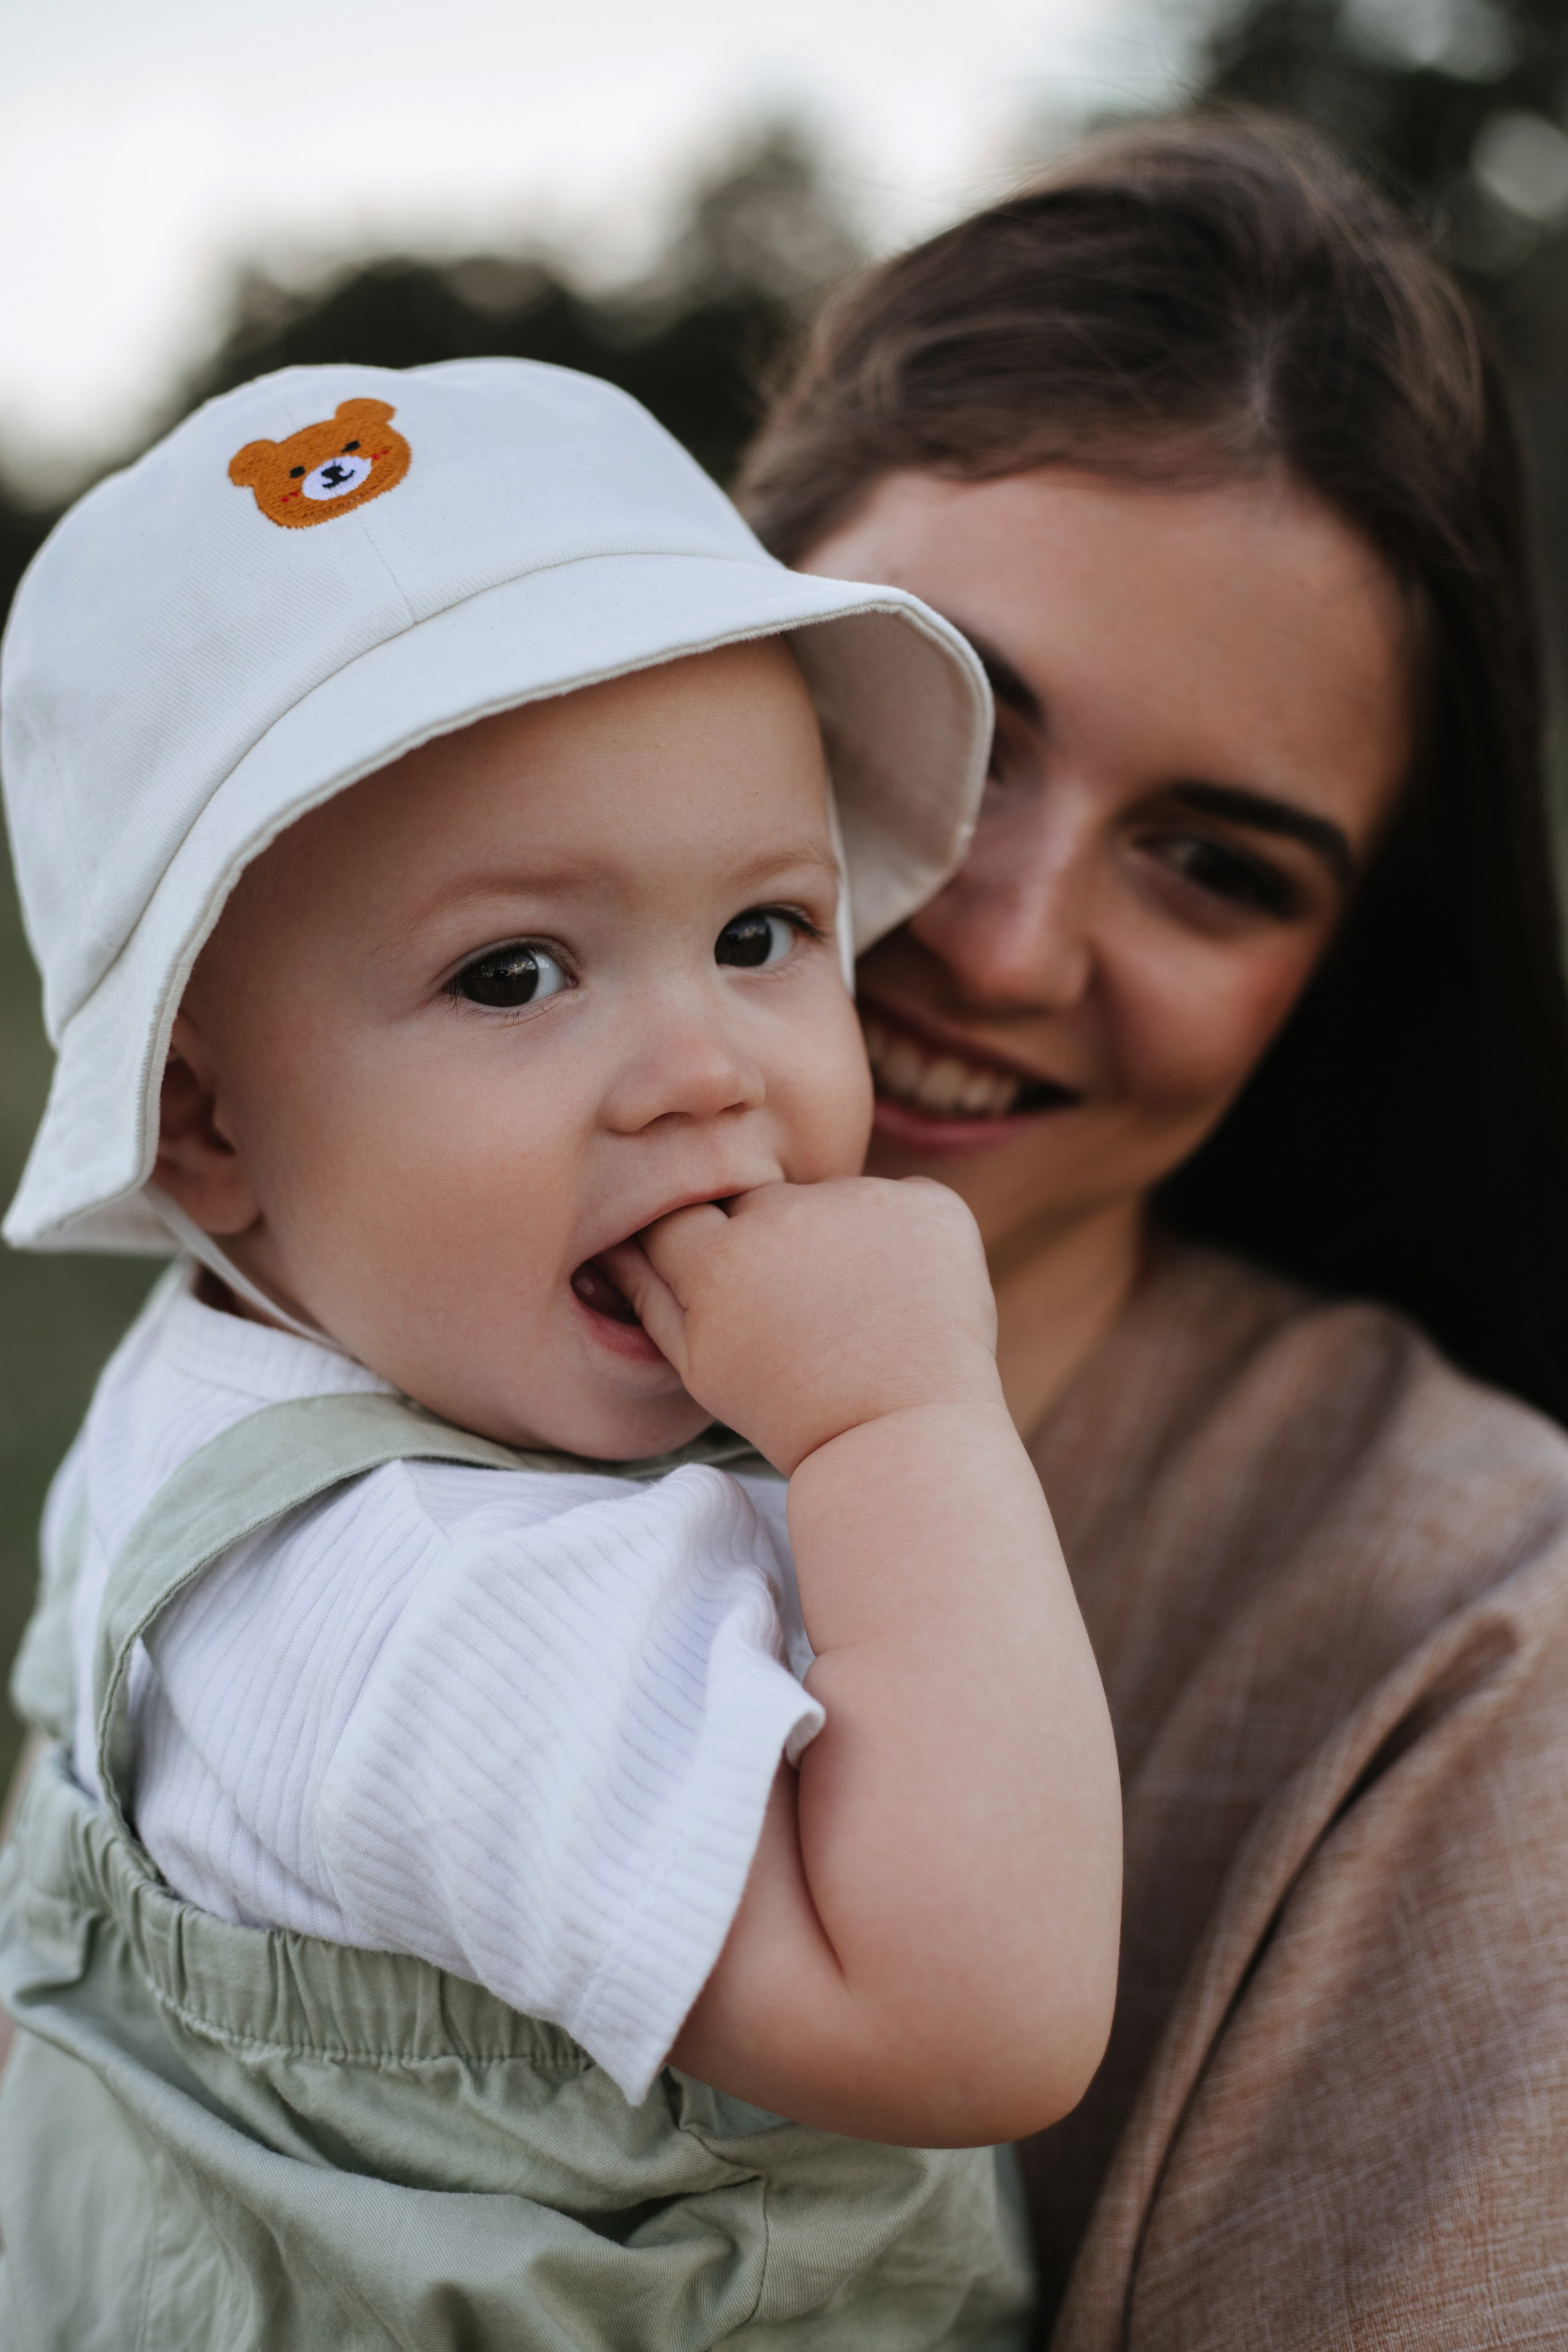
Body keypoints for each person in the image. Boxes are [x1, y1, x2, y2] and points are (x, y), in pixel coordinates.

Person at [0, 359, 1122, 2346]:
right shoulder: (454, 1604)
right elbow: (975, 2018)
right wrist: (899, 1420)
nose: (703, 1068)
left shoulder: (235, 1380)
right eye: (514, 973)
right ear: (208, 1127)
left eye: (767, 933)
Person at [739, 111, 1568, 2346]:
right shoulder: (324, 1357)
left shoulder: (1481, 1664)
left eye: (1218, 864)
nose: (1002, 945)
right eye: (948, 723)